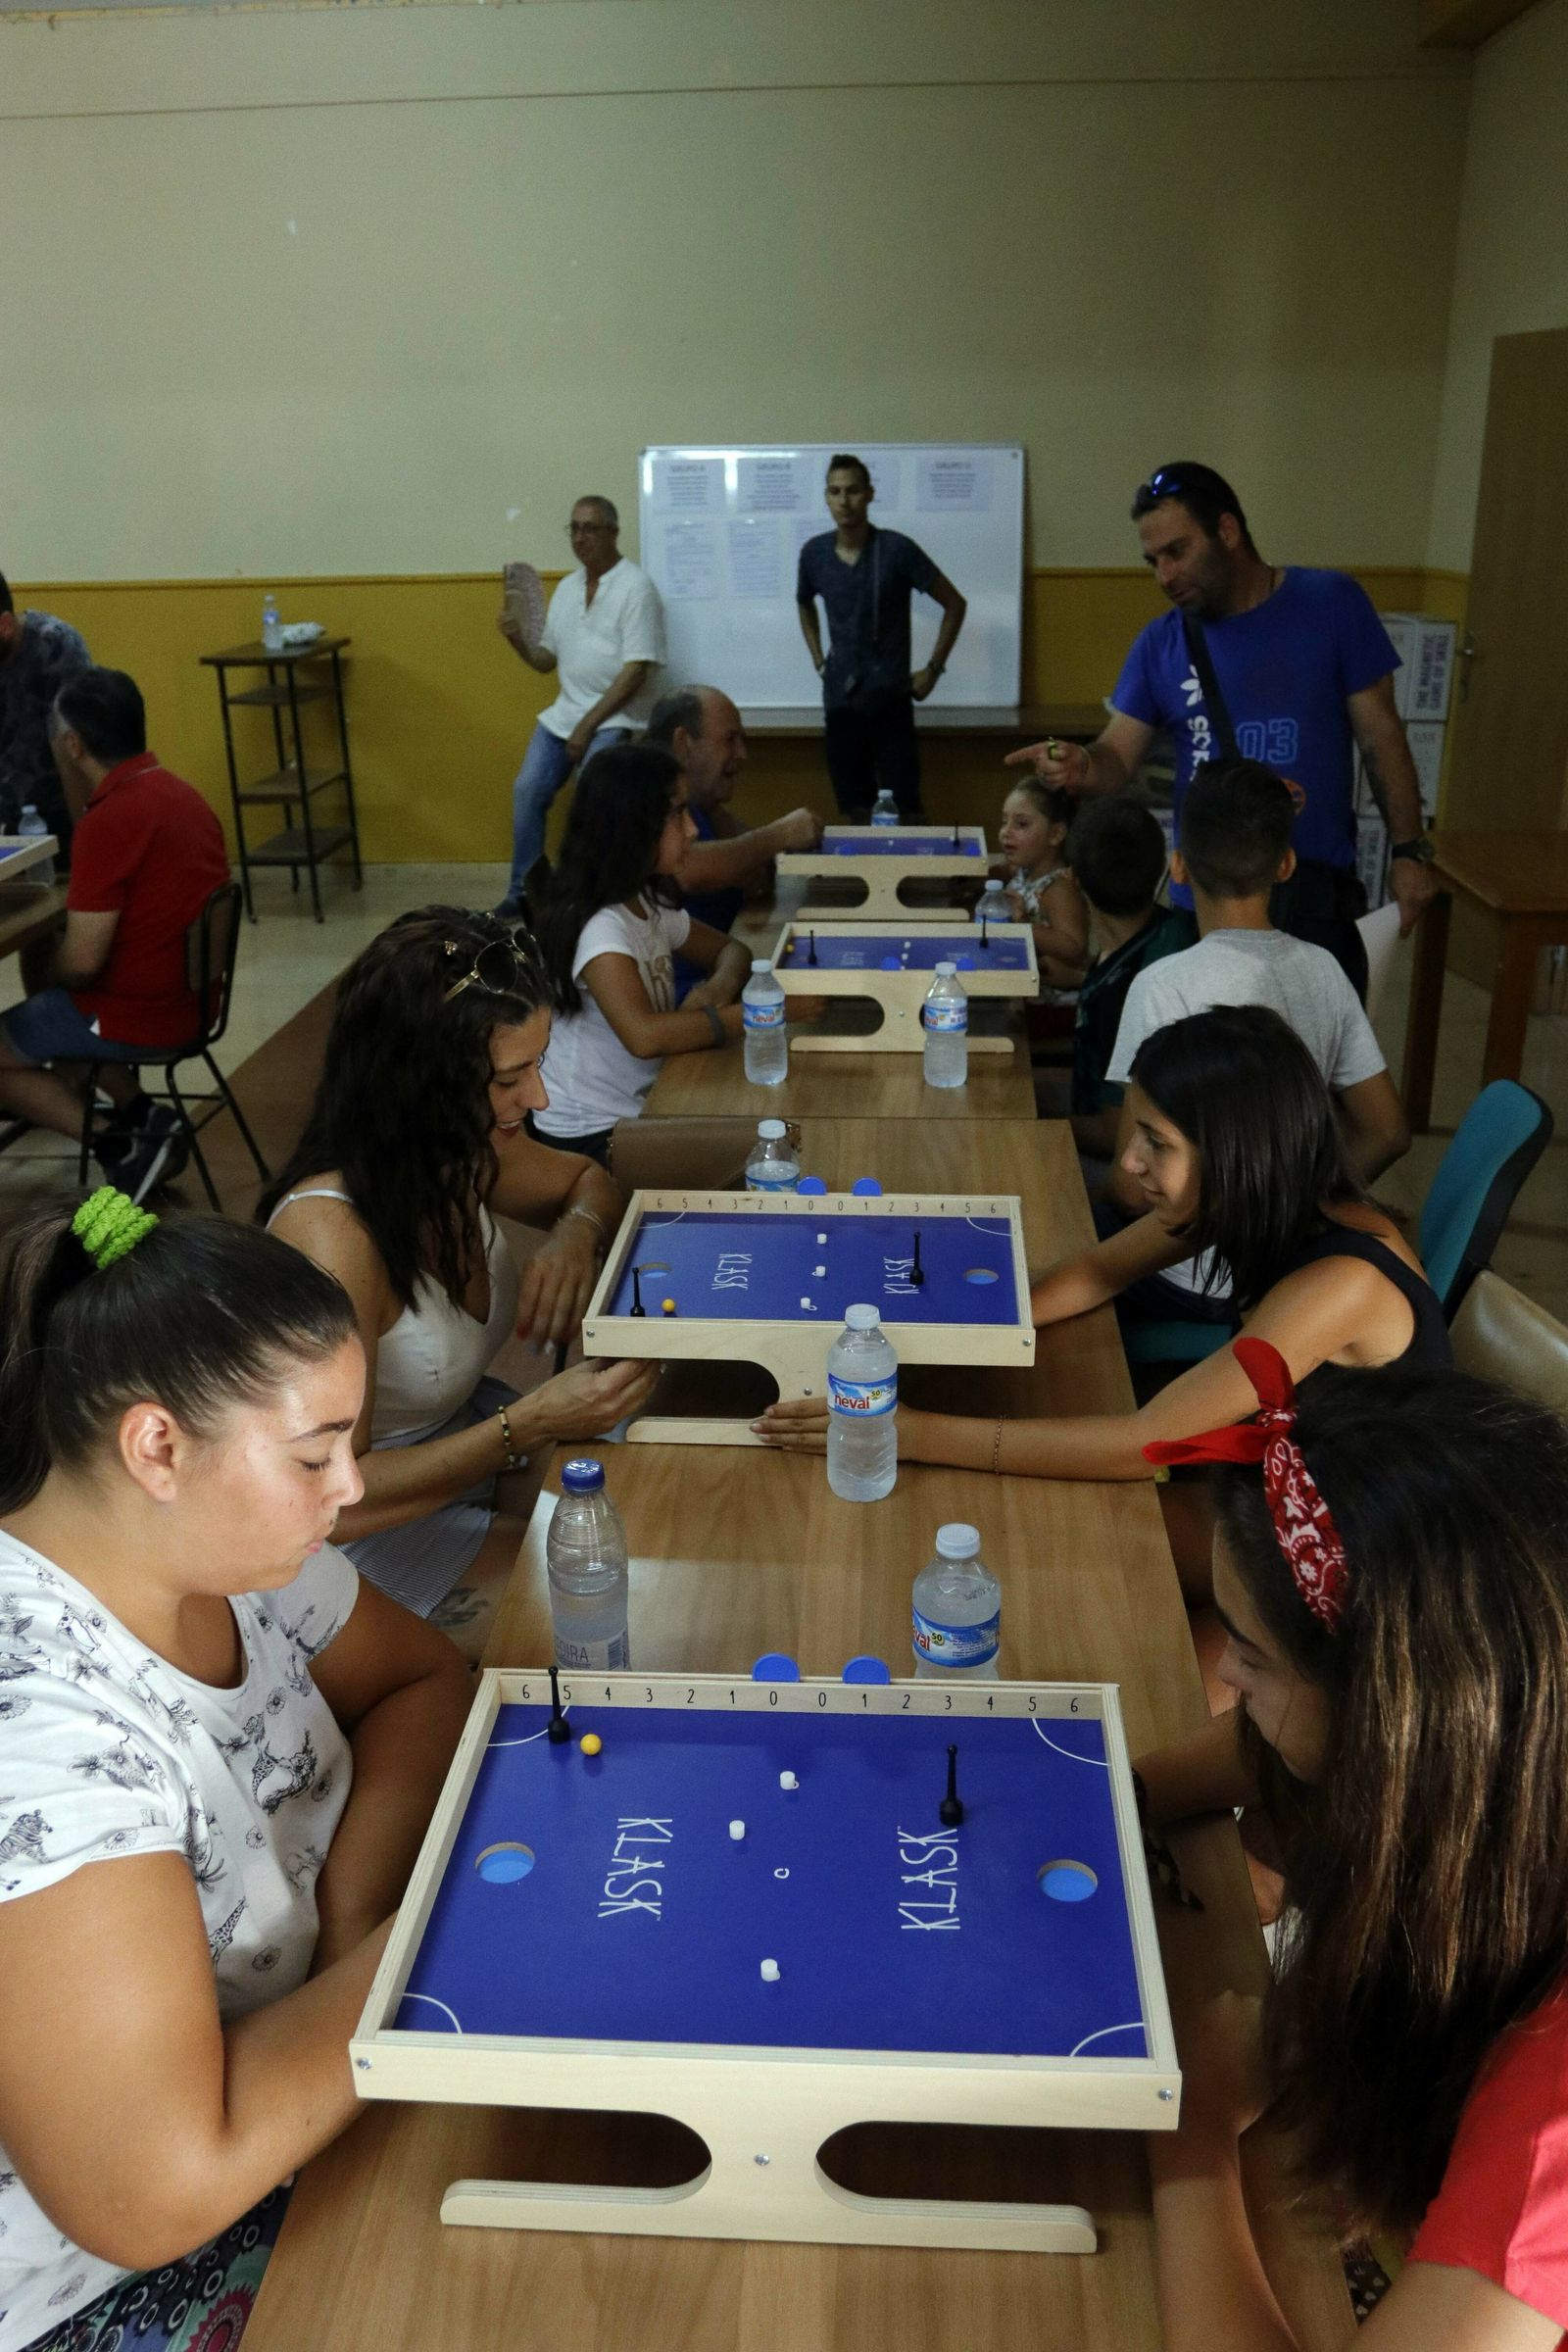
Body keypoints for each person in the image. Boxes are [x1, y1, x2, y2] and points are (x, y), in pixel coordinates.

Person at [0, 1190, 474, 2352]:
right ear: (159, 1447)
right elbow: (148, 2195)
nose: (349, 1487)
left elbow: (426, 1684)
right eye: (316, 1452)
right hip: (94, 2283)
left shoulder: (237, 1545)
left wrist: (360, 1927)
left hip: (302, 2052)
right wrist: (446, 1950)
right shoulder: (44, 1737)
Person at [1135, 1348, 1568, 2349]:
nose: (1227, 1684)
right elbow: (1266, 1748)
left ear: (1391, 1721)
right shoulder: (1512, 1744)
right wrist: (1110, 1801)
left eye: (1249, 1656)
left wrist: (1188, 2131)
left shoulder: (1548, 2111)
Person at [754, 1006, 1449, 1504]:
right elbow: (1094, 1272)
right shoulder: (1252, 1196)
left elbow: (1146, 1444)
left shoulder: (1340, 1283)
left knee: (1038, 1530)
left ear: (1237, 1155)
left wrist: (910, 1433)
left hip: (1360, 1533)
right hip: (1287, 1471)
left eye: (1156, 1142)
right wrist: (936, 1328)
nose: (1129, 1161)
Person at [260, 907, 656, 1642]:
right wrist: (530, 1422)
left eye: (538, 1064)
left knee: (655, 1526)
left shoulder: (462, 1151)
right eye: (510, 1078)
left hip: (468, 1448)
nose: (539, 1099)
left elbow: (589, 1183)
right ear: (423, 1082)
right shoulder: (331, 1238)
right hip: (352, 1531)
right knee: (596, 1612)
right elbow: (325, 1499)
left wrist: (575, 1235)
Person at [1007, 462, 1438, 994]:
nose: (1165, 576)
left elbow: (1381, 738)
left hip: (1311, 892)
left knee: (1312, 1043)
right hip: (1206, 902)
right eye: (1153, 561)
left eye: (1177, 552)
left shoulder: (1331, 603)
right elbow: (1116, 757)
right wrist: (1082, 765)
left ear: (1227, 531)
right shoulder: (1160, 642)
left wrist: (1409, 852)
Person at [1103, 758, 1409, 1223]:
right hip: (1289, 1250)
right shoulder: (1324, 969)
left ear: (1179, 867)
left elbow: (1132, 1191)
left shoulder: (1162, 986)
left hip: (1185, 1258)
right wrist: (1300, 1210)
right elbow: (1387, 1133)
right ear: (1286, 865)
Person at [0, 666, 230, 1201]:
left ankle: (120, 1146)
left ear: (73, 745)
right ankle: (144, 1114)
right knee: (51, 1010)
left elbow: (82, 965)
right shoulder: (182, 795)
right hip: (196, 1002)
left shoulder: (110, 819)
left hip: (143, 1015)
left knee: (42, 1005)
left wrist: (51, 966)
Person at [530, 741, 779, 1163]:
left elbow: (732, 950)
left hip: (638, 1106)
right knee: (759, 1149)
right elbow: (645, 1037)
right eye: (678, 813)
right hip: (590, 1135)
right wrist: (762, 1013)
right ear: (633, 825)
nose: (693, 829)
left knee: (759, 1129)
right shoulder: (599, 925)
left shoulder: (643, 899)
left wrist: (716, 990)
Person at [496, 495, 665, 914]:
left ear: (613, 532)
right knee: (527, 790)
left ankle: (590, 893)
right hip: (565, 715)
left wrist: (587, 726)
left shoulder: (636, 587)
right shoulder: (568, 588)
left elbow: (636, 671)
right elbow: (546, 661)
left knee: (593, 791)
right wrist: (518, 640)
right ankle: (523, 893)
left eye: (590, 528)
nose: (580, 537)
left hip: (615, 718)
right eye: (574, 528)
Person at [796, 454, 967, 821]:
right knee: (855, 812)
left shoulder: (896, 550)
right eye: (835, 492)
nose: (844, 501)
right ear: (826, 497)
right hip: (841, 705)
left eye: (853, 490)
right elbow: (804, 603)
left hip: (890, 703)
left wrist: (933, 670)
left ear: (869, 494)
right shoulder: (814, 554)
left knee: (904, 811)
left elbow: (955, 604)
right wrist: (819, 661)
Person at [645, 685, 822, 997]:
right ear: (684, 743)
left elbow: (755, 869)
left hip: (718, 975)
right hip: (673, 996)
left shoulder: (704, 806)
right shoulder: (641, 795)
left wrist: (751, 857)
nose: (742, 754)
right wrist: (781, 834)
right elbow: (687, 870)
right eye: (730, 740)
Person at [1058, 795, 1190, 1161]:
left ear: (1074, 880)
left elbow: (1114, 1134)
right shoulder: (1172, 930)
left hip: (1114, 1166)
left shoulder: (1122, 996)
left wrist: (1038, 1116)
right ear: (1162, 867)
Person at [0, 570, 89, 850]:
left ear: (5, 625)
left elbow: (71, 753)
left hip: (58, 819)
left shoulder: (56, 646)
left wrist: (86, 843)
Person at [996, 777, 1090, 992]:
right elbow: (1003, 870)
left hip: (1050, 1000)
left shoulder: (1058, 888)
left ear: (1055, 834)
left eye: (1021, 824)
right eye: (1004, 821)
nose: (1005, 832)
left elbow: (1075, 949)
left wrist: (1024, 927)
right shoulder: (1023, 869)